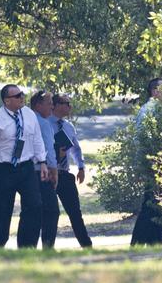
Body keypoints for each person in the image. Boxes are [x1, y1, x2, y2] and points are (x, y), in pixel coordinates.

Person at [0, 84, 49, 248]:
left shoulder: (29, 114)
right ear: (7, 101)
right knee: (2, 210)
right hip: (3, 170)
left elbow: (37, 138)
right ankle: (0, 245)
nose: (21, 97)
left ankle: (27, 246)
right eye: (17, 96)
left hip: (26, 167)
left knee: (35, 204)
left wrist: (42, 162)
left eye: (22, 94)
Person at [49, 94, 93, 248]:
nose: (69, 106)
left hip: (65, 174)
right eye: (65, 103)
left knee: (75, 212)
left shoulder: (68, 126)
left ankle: (86, 245)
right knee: (50, 214)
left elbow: (75, 148)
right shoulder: (44, 124)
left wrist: (81, 167)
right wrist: (55, 154)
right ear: (54, 105)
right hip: (48, 175)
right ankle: (48, 247)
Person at [130, 78, 162, 245]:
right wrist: (142, 164)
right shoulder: (149, 109)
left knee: (159, 203)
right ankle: (140, 242)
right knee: (151, 203)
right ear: (154, 91)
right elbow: (140, 138)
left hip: (160, 163)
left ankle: (158, 239)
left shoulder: (160, 109)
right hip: (152, 164)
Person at [30, 90, 60, 249]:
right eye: (49, 103)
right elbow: (49, 149)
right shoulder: (42, 123)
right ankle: (48, 246)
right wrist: (54, 171)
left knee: (34, 210)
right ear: (38, 105)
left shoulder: (27, 120)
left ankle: (30, 246)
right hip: (41, 171)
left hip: (27, 171)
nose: (52, 106)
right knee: (51, 210)